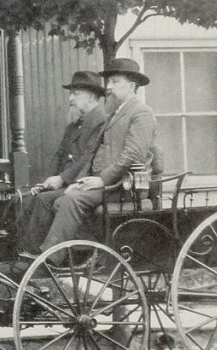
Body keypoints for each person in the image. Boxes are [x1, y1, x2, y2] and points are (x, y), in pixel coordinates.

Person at [26, 58, 157, 262]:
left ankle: (50, 258)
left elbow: (133, 155)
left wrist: (102, 180)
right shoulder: (115, 114)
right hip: (105, 184)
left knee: (71, 200)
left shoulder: (141, 113)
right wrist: (77, 182)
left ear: (131, 86)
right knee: (61, 198)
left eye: (115, 82)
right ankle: (71, 254)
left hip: (124, 187)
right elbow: (92, 154)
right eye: (109, 82)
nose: (109, 87)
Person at [18, 70, 109, 253]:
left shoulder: (102, 123)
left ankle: (37, 254)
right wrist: (47, 181)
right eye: (71, 94)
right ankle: (20, 249)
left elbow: (87, 158)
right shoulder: (73, 126)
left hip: (85, 182)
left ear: (92, 96)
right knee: (25, 198)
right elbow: (59, 155)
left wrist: (61, 179)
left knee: (42, 201)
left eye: (76, 94)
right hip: (66, 181)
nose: (70, 99)